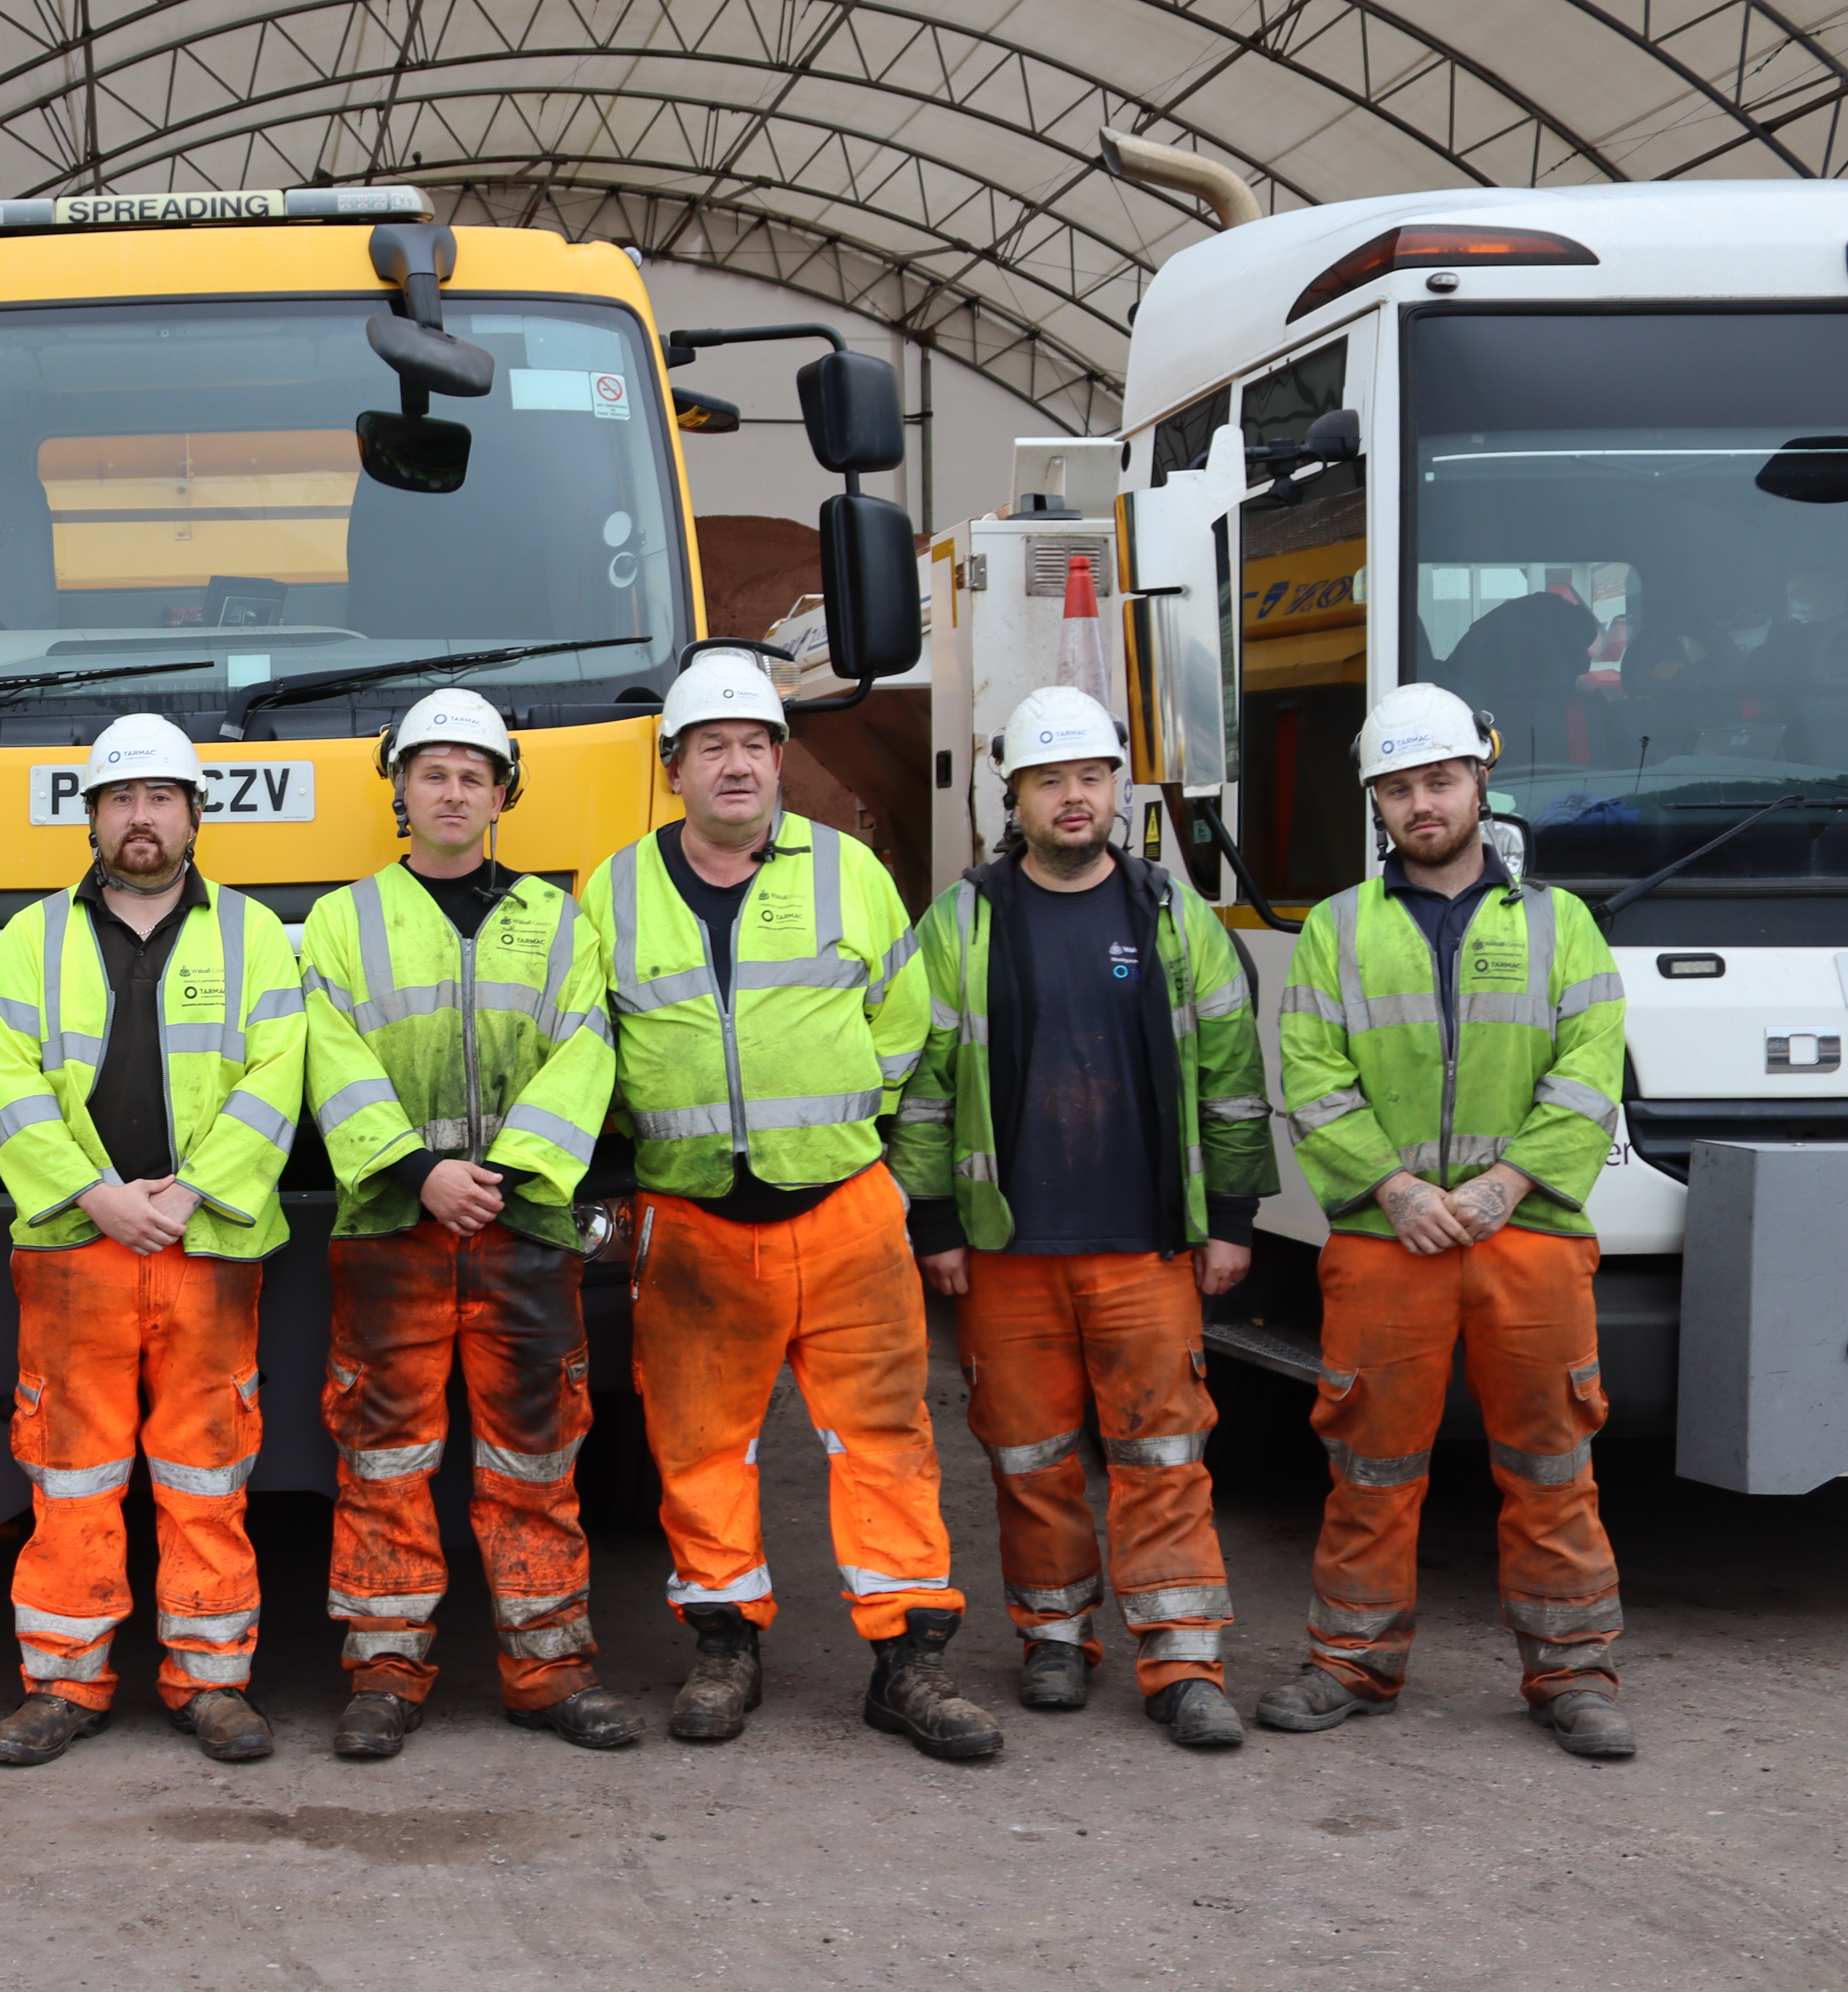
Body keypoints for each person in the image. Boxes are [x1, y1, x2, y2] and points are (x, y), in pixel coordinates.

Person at [578, 648, 999, 1761]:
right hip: (695, 1220)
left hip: (846, 1207)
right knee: (700, 1442)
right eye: (710, 746)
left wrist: (868, 1136)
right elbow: (594, 1049)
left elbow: (906, 1019)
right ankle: (724, 1645)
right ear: (672, 769)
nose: (736, 764)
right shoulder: (612, 888)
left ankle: (911, 1660)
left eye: (756, 744)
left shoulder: (850, 870)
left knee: (885, 1438)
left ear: (781, 760)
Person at [892, 686, 1278, 1751]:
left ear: (1119, 788)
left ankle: (1185, 1661)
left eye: (1093, 777)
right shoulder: (963, 920)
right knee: (1031, 1460)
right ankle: (1054, 1639)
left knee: (1164, 1455)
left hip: (1144, 1246)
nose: (1075, 797)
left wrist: (1235, 1216)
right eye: (1050, 780)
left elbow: (1232, 1076)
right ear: (1010, 796)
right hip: (1009, 1248)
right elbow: (922, 1087)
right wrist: (934, 1224)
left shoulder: (1167, 912)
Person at [1261, 681, 1634, 1757]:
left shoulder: (1564, 925)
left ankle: (1574, 1674)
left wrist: (1503, 1187)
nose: (1422, 804)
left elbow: (1588, 1072)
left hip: (1527, 1238)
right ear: (1375, 803)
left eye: (1440, 780)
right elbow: (1313, 1079)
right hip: (1389, 1244)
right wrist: (1398, 1191)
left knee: (1553, 1466)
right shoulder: (1337, 930)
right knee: (1371, 1467)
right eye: (1399, 789)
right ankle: (1352, 1665)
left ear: (1481, 778)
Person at [300, 688, 638, 1757]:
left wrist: (502, 1171)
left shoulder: (558, 921)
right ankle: (385, 1673)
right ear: (399, 790)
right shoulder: (343, 922)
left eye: (473, 776)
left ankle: (550, 1671)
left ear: (503, 796)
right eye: (433, 773)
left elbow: (588, 1053)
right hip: (394, 1226)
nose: (453, 793)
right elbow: (330, 1058)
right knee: (384, 1458)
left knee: (535, 1458)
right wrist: (417, 1171)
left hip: (524, 1225)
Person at [0, 713, 306, 1768]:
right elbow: (9, 1085)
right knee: (71, 1477)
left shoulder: (254, 936)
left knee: (206, 1473)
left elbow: (275, 1079)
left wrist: (193, 1194)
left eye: (162, 798)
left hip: (206, 1251)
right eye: (122, 799)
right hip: (79, 1249)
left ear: (195, 815)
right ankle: (64, 1684)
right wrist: (99, 1195)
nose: (142, 817)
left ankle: (210, 1683)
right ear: (94, 818)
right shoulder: (33, 939)